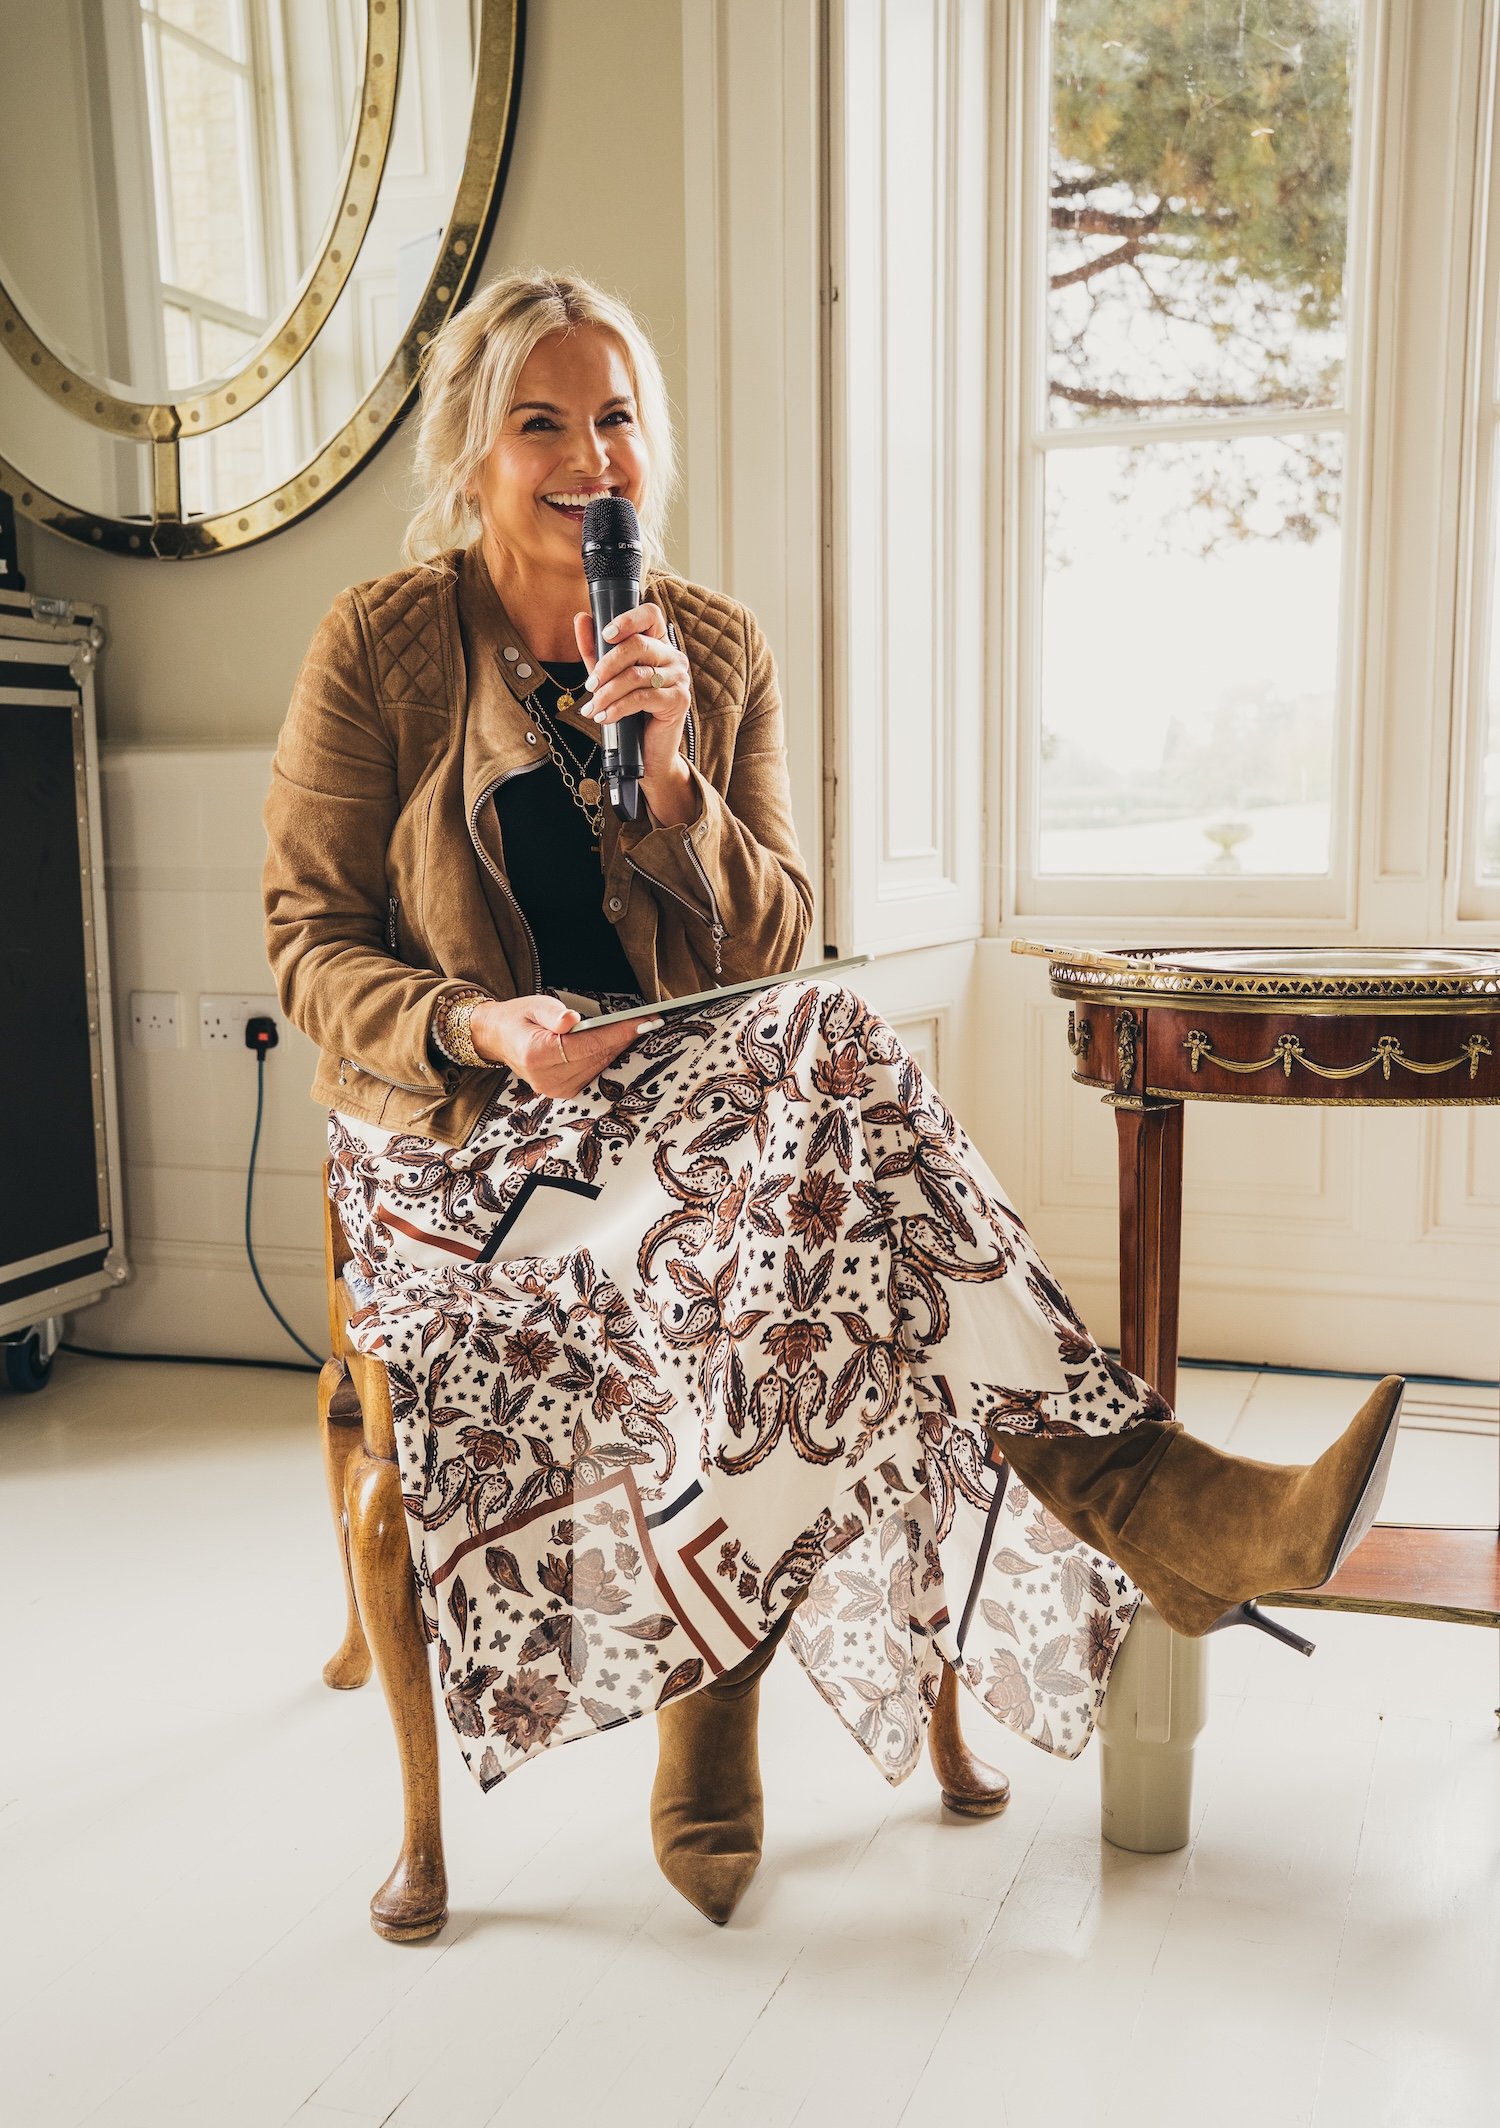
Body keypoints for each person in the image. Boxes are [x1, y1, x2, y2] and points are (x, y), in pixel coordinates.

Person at [262, 269, 1403, 1926]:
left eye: (618, 417)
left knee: (839, 1057)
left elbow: (777, 933)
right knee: (848, 1193)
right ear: (471, 455)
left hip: (677, 1117)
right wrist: (485, 1024)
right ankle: (1154, 1510)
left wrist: (672, 785)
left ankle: (737, 1679)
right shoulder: (379, 642)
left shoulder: (710, 646)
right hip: (467, 1141)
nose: (593, 455)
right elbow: (308, 944)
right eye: (542, 423)